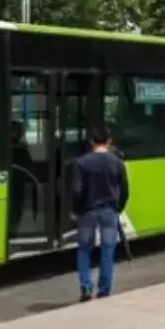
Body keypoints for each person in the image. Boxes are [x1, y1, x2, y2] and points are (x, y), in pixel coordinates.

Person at [70, 124, 129, 302]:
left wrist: (75, 210)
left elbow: (76, 191)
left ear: (91, 142)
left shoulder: (82, 163)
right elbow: (125, 190)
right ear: (109, 142)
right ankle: (104, 291)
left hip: (88, 212)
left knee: (84, 250)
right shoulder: (117, 163)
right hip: (109, 211)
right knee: (107, 250)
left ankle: (86, 287)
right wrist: (118, 208)